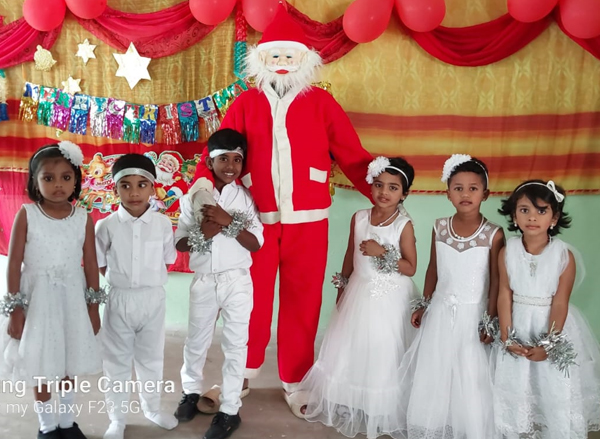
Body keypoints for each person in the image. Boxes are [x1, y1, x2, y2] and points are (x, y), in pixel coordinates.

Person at [191, 3, 373, 414]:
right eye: (275, 54)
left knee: (303, 302)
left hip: (309, 219)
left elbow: (351, 152)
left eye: (290, 55)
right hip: (255, 219)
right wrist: (203, 187)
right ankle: (239, 375)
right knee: (247, 298)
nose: (282, 61)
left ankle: (297, 380)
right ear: (262, 59)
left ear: (304, 59)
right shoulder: (246, 102)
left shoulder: (321, 103)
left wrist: (379, 187)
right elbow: (219, 150)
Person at [300, 157, 419, 437]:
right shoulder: (360, 217)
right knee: (349, 346)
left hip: (388, 297)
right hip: (358, 290)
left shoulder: (403, 225)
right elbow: (350, 254)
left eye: (393, 187)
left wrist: (382, 252)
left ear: (404, 193)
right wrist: (343, 285)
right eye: (379, 185)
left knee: (380, 349)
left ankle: (378, 405)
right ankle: (346, 399)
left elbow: (410, 267)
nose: (384, 192)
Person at [0, 142, 103, 439]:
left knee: (69, 359)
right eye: (48, 178)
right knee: (42, 362)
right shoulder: (27, 214)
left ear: (76, 180)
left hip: (72, 298)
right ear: (35, 182)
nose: (58, 184)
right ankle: (47, 426)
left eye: (66, 177)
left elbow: (90, 264)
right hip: (37, 300)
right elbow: (14, 263)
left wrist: (93, 307)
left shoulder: (82, 217)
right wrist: (15, 309)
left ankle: (67, 422)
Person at [399, 154, 504, 438]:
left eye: (473, 188)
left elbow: (496, 280)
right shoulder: (440, 227)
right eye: (458, 188)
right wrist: (425, 304)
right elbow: (433, 269)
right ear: (447, 193)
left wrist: (490, 318)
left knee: (469, 372)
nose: (465, 194)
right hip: (441, 313)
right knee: (436, 367)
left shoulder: (493, 234)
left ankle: (468, 425)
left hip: (474, 315)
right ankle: (433, 423)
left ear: (485, 194)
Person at [492, 179, 600, 438]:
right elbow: (504, 293)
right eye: (525, 210)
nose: (532, 217)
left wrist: (549, 345)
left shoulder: (563, 256)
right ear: (514, 215)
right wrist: (507, 335)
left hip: (550, 326)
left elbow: (560, 301)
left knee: (551, 383)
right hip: (517, 322)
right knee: (517, 381)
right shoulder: (507, 251)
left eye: (542, 211)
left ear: (554, 218)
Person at [174, 129, 263, 439]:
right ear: (210, 162)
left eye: (237, 159)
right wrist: (203, 233)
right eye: (223, 159)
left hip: (237, 281)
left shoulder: (246, 198)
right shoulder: (194, 197)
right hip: (204, 281)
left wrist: (229, 222)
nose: (231, 166)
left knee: (236, 344)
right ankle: (190, 392)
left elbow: (256, 243)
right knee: (196, 340)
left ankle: (229, 410)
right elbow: (180, 243)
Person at [95, 154, 179, 439]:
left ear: (152, 187)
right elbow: (101, 264)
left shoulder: (163, 224)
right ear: (115, 188)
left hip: (152, 300)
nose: (134, 192)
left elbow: (166, 260)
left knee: (151, 358)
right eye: (126, 185)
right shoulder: (106, 226)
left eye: (141, 185)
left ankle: (151, 408)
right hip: (119, 300)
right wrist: (121, 281)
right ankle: (117, 419)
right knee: (115, 361)